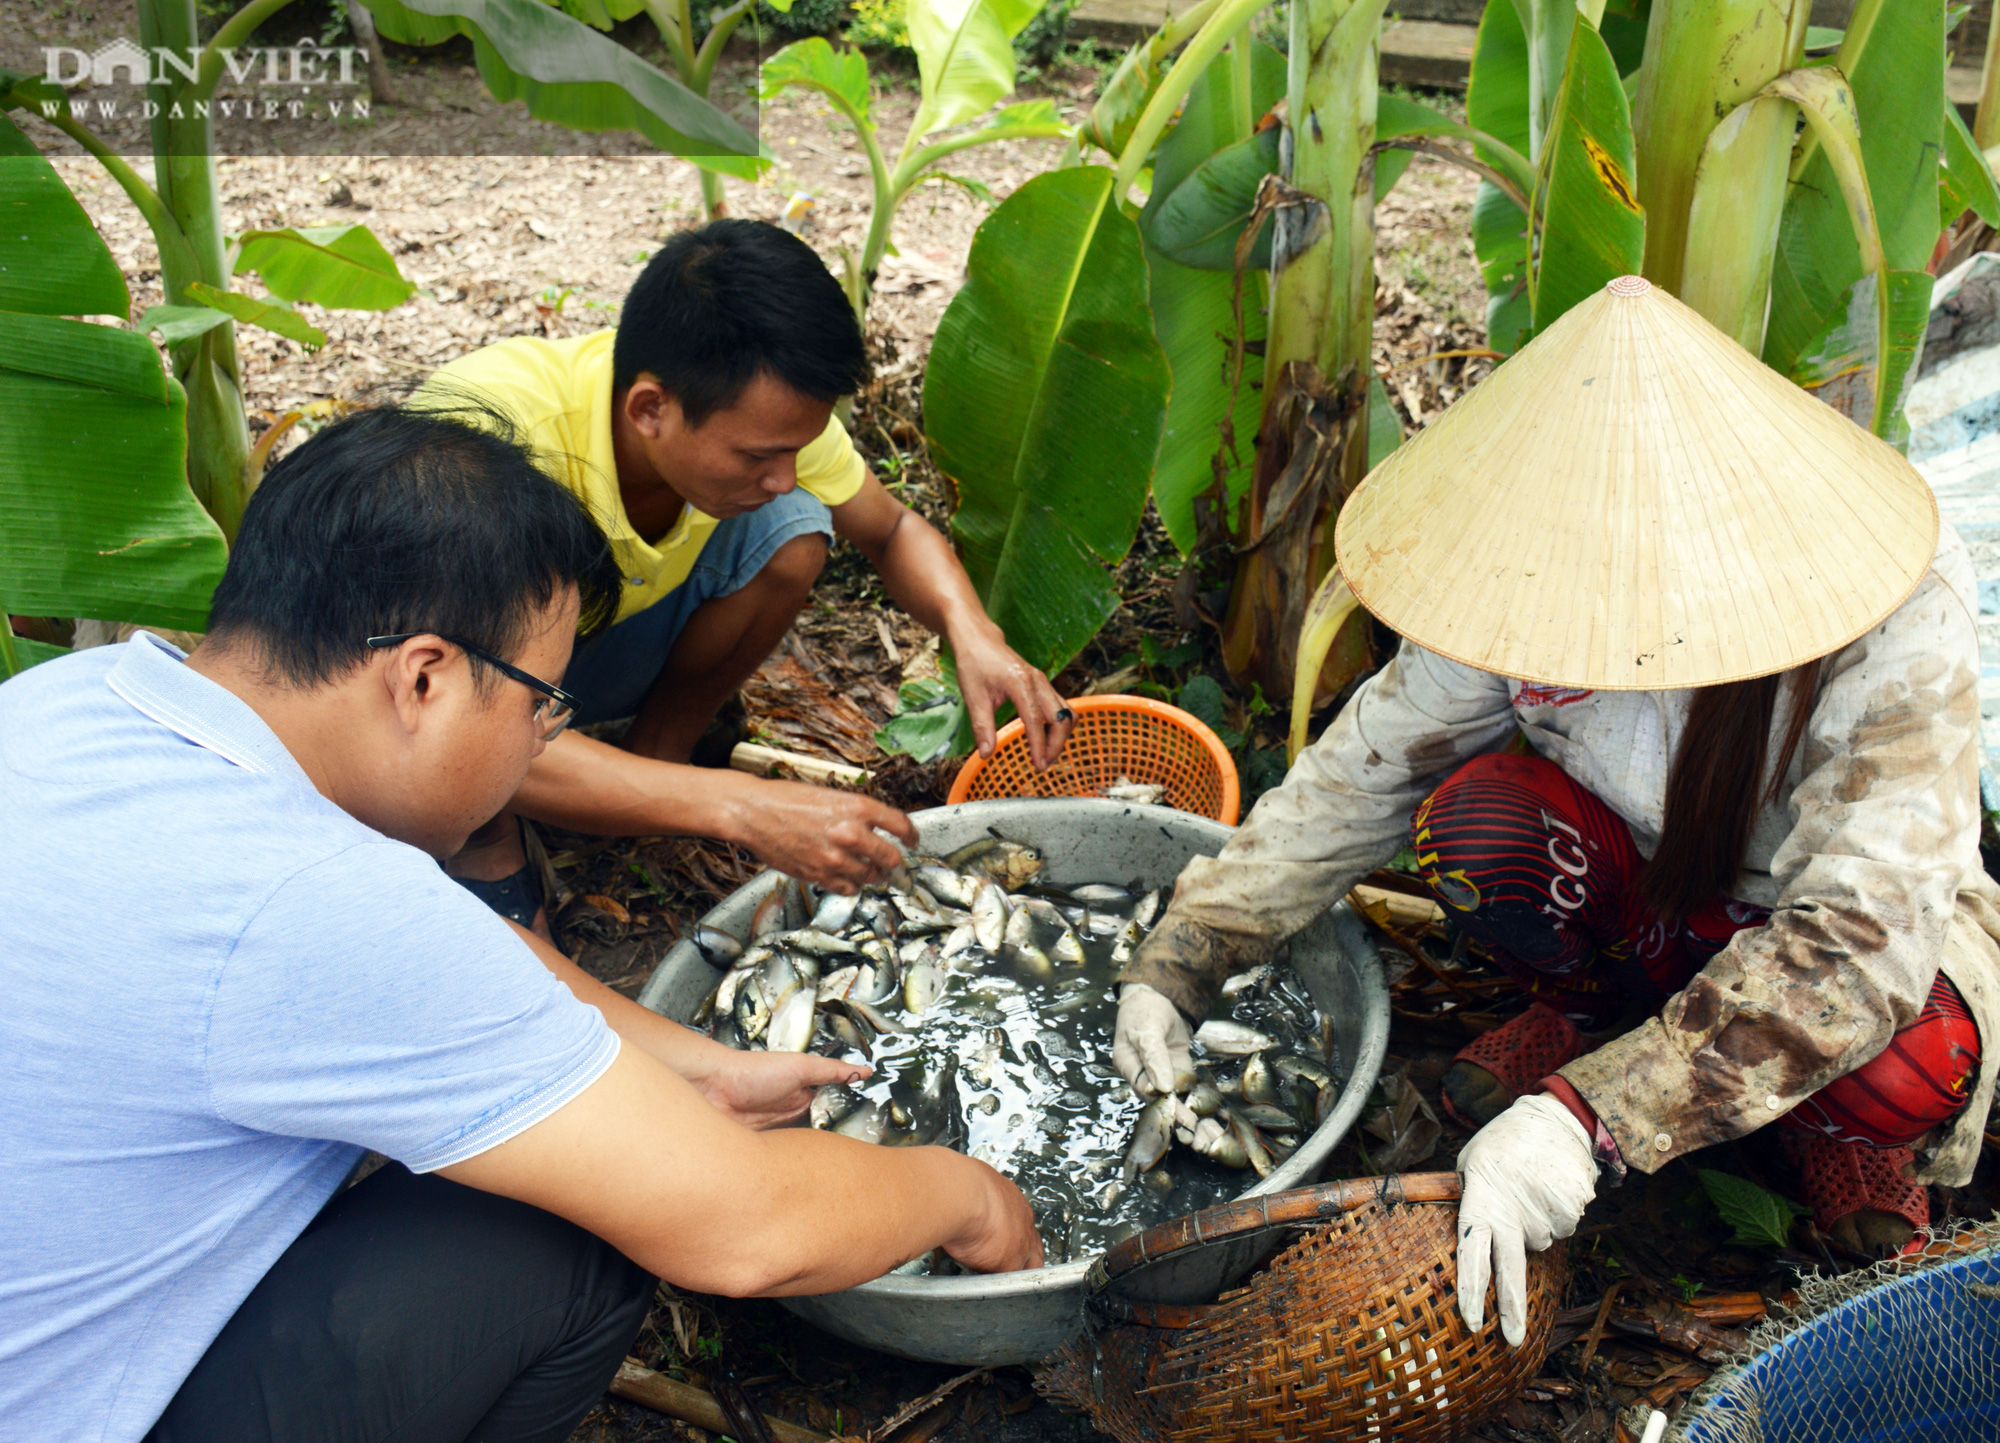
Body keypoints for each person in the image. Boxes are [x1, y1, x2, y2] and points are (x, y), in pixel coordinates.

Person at [0, 405, 1041, 1443]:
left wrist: (695, 1067)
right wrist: (973, 1201)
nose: (544, 734)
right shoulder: (317, 905)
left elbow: (453, 948)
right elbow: (747, 1230)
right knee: (572, 1238)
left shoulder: (76, 699)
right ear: (423, 677)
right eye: (543, 703)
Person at [1111, 277, 2000, 1347]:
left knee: (1908, 1056)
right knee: (1479, 830)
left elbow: (1861, 942)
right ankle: (1587, 1020)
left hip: (1835, 925)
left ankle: (1824, 1130)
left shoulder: (1892, 596)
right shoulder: (1524, 567)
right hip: (1645, 884)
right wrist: (1191, 947)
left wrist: (1593, 1121)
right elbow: (1371, 766)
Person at [422, 219, 1073, 927]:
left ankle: (656, 759)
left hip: (582, 655)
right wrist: (743, 808)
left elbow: (890, 529)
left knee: (792, 530)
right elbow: (452, 716)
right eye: (756, 456)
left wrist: (972, 629)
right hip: (452, 693)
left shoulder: (757, 412)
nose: (784, 474)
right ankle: (485, 834)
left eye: (795, 448)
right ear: (650, 409)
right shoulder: (495, 444)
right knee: (471, 743)